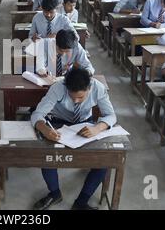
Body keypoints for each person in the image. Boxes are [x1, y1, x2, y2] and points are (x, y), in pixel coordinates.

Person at [31, 67, 116, 210]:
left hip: (85, 125)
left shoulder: (98, 88)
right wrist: (45, 129)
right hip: (59, 123)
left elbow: (111, 116)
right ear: (66, 87)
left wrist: (97, 128)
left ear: (89, 88)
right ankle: (54, 193)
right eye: (72, 96)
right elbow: (37, 114)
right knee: (47, 155)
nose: (76, 101)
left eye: (81, 97)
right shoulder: (58, 88)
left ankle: (82, 201)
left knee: (104, 161)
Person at [29, 29, 94, 78]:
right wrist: (43, 71)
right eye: (60, 50)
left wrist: (85, 73)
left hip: (67, 77)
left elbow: (88, 66)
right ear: (55, 42)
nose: (63, 54)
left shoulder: (76, 47)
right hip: (48, 77)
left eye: (67, 51)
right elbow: (40, 66)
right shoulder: (44, 44)